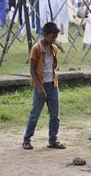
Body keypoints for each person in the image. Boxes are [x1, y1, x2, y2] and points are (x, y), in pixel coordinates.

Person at [22, 22, 66, 150]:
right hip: (40, 85)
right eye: (52, 37)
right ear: (45, 35)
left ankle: (53, 140)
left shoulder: (53, 48)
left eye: (55, 38)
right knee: (35, 114)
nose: (53, 40)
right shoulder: (36, 48)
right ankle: (26, 139)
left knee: (55, 115)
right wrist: (40, 88)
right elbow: (32, 70)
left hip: (53, 84)